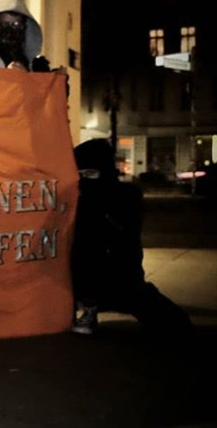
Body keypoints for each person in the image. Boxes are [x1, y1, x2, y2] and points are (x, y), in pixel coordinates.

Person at [70, 138, 193, 335]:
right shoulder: (75, 197)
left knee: (173, 324)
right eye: (80, 175)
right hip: (80, 278)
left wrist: (93, 206)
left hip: (118, 277)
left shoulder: (125, 195)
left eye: (90, 174)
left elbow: (122, 236)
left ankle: (92, 305)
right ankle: (89, 307)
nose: (84, 180)